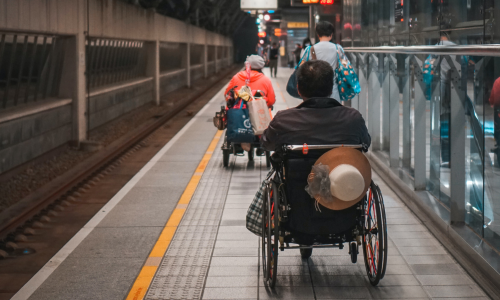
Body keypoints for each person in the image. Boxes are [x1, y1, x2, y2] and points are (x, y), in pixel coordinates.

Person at [261, 60, 370, 151]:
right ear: (332, 89)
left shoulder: (283, 120)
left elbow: (266, 144)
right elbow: (366, 143)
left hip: (297, 175)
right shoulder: (353, 118)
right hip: (341, 175)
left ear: (298, 89)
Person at [299, 21, 345, 101]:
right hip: (333, 91)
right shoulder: (338, 49)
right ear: (331, 35)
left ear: (318, 35)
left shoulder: (309, 49)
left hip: (312, 91)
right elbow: (344, 66)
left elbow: (301, 68)